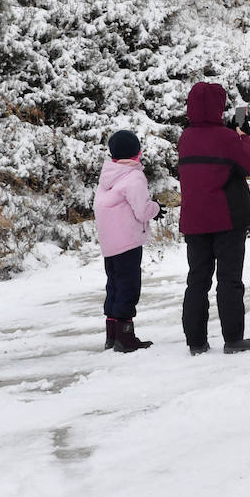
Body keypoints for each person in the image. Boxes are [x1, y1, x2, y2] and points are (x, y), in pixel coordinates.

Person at [177, 82, 250, 355]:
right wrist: (242, 136)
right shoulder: (226, 138)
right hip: (227, 218)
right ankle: (233, 338)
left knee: (197, 281)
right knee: (229, 280)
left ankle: (196, 341)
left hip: (195, 220)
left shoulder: (185, 138)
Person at [94, 130, 164, 353]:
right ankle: (125, 337)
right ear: (138, 152)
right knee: (129, 286)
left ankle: (112, 334)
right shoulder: (133, 176)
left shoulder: (108, 176)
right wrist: (157, 208)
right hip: (128, 242)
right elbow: (143, 211)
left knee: (114, 285)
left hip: (109, 243)